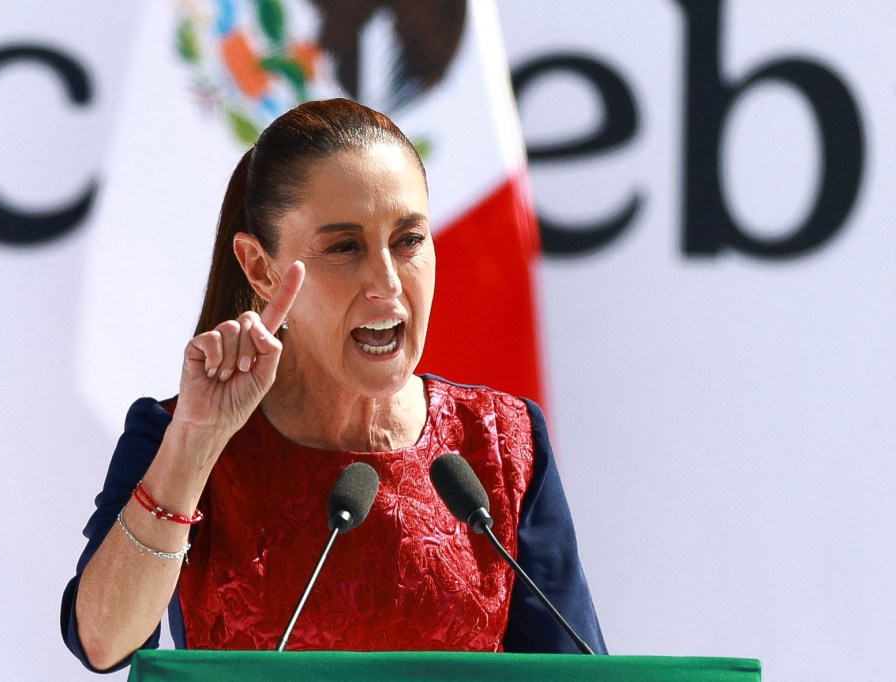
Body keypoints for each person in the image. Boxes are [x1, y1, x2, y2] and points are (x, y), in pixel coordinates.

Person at [60, 98, 606, 672]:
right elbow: (103, 642)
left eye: (409, 240)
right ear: (260, 268)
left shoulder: (501, 441)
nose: (386, 281)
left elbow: (579, 669)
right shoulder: (177, 434)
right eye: (345, 247)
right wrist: (196, 444)